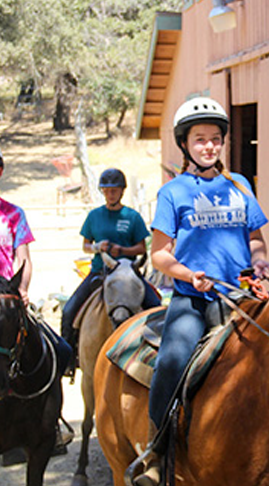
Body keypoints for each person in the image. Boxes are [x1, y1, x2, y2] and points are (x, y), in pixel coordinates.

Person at [128, 96, 269, 486]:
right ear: (185, 144)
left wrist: (260, 263)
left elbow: (256, 238)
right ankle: (157, 453)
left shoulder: (239, 185)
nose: (208, 146)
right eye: (199, 139)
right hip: (192, 300)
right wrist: (189, 274)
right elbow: (160, 254)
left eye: (215, 139)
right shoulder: (173, 192)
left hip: (243, 296)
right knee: (174, 358)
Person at [0, 148, 73, 461]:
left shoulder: (14, 214)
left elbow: (23, 258)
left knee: (61, 350)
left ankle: (50, 425)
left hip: (8, 301)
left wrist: (24, 288)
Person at [61, 168, 161, 369]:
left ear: (122, 191)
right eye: (106, 190)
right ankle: (70, 360)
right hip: (100, 271)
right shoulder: (94, 216)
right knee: (69, 309)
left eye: (114, 190)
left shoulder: (132, 217)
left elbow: (142, 247)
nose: (110, 194)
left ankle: (162, 355)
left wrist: (122, 249)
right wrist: (97, 247)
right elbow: (85, 245)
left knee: (157, 306)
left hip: (128, 273)